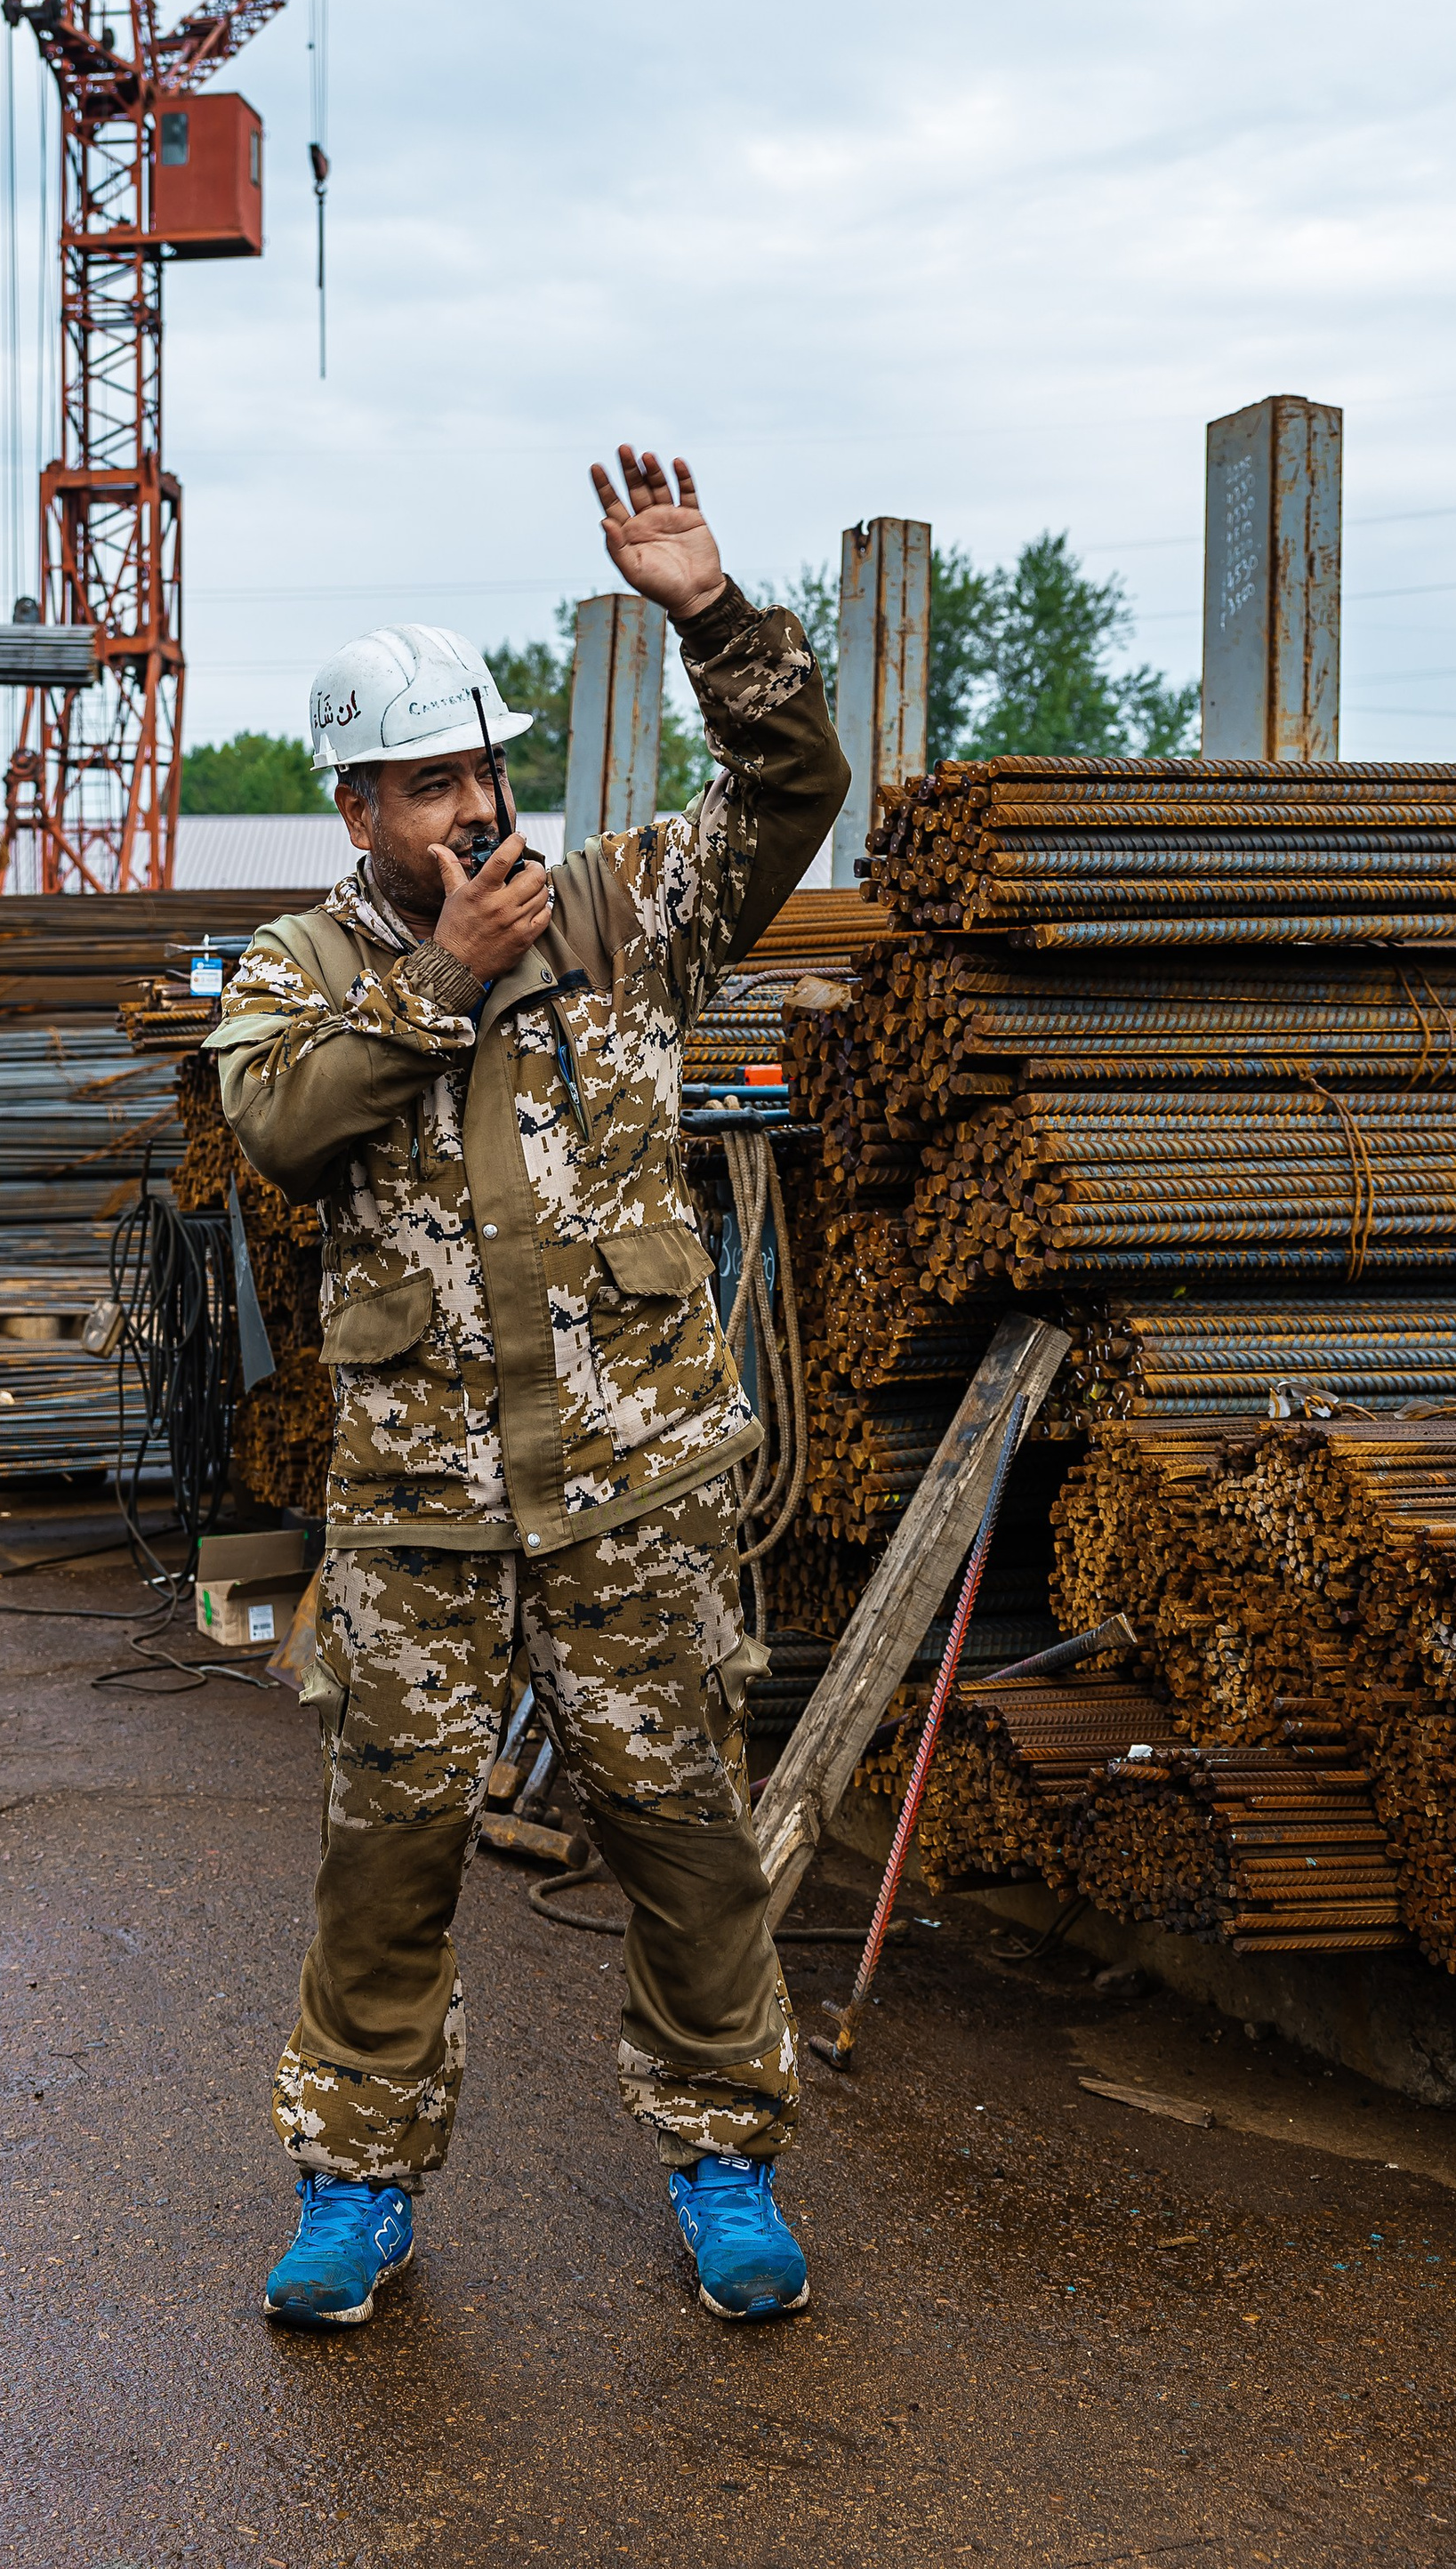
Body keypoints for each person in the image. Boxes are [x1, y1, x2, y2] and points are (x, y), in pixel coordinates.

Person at [207, 447, 851, 2330]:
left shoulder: (625, 905)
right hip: (420, 1508)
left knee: (683, 1833)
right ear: (355, 807)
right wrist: (435, 981)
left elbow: (793, 790)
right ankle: (354, 2189)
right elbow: (278, 1126)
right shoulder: (298, 966)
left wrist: (709, 616)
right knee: (388, 1856)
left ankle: (723, 2157)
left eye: (484, 770)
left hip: (631, 1485)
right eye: (429, 783)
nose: (474, 807)